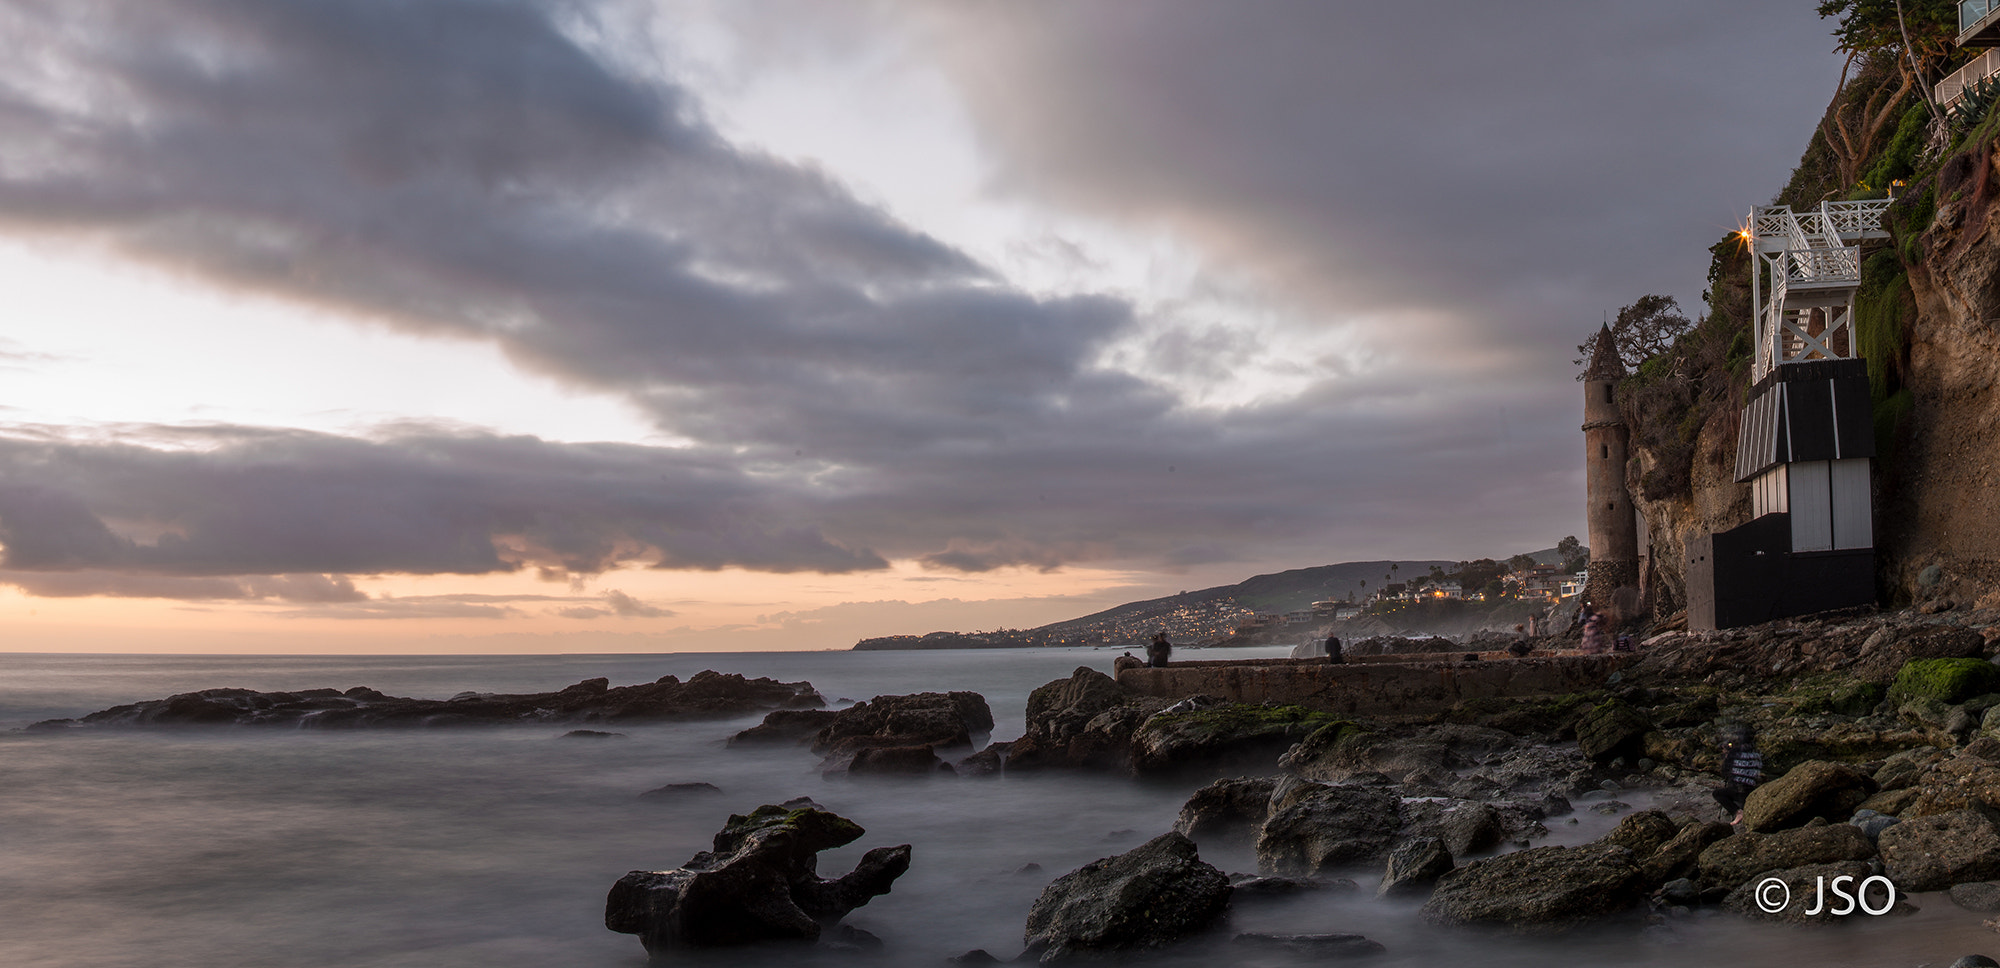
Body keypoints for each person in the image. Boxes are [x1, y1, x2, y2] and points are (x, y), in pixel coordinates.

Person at [1713, 724, 1764, 826]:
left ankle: (1738, 812)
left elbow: (1724, 771)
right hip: (1753, 789)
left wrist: (1728, 755)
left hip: (1739, 791)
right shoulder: (1757, 753)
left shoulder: (1734, 752)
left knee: (1717, 793)